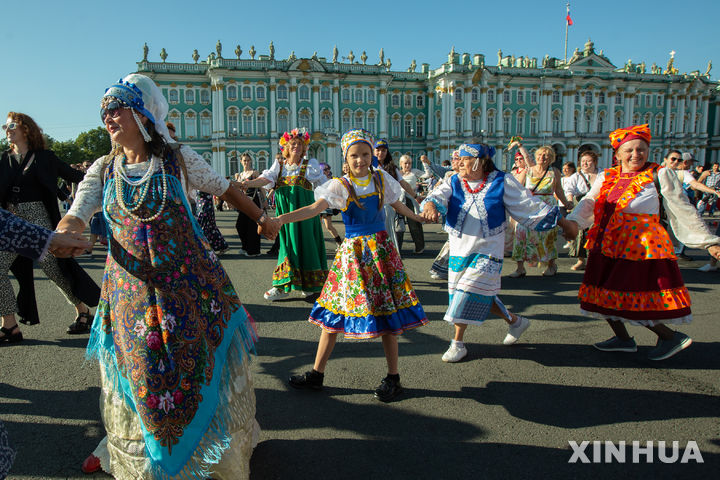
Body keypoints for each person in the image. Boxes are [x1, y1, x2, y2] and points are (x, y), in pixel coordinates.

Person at [56, 73, 280, 479]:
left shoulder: (177, 158)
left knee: (194, 367)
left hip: (188, 291)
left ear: (142, 115)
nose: (109, 117)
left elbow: (225, 187)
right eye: (105, 111)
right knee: (139, 374)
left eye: (117, 109)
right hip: (130, 297)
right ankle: (140, 457)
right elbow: (79, 209)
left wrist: (262, 217)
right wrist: (68, 230)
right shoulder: (104, 169)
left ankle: (212, 458)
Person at [285, 129, 428, 402]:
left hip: (380, 254)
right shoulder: (339, 185)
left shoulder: (381, 179)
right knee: (333, 314)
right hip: (352, 256)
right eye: (354, 155)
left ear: (372, 154)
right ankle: (317, 373)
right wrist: (281, 220)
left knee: (387, 313)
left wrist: (417, 218)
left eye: (364, 154)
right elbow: (314, 209)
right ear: (345, 157)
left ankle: (393, 377)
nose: (360, 160)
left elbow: (397, 204)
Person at [563, 124, 720, 361]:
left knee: (629, 297)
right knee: (600, 293)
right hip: (606, 244)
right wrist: (573, 222)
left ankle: (670, 337)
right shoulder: (608, 176)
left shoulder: (659, 174)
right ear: (617, 154)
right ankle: (623, 340)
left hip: (640, 248)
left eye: (641, 149)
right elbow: (589, 202)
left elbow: (683, 209)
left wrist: (709, 242)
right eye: (630, 150)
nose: (636, 155)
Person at [420, 140, 574, 362]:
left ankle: (458, 343)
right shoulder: (454, 181)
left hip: (488, 250)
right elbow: (436, 196)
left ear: (480, 162)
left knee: (466, 292)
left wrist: (563, 223)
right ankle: (516, 322)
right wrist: (430, 205)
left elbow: (529, 205)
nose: (459, 163)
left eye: (464, 159)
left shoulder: (502, 181)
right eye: (458, 159)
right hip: (460, 249)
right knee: (481, 295)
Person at [1, 112, 99, 335]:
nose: (7, 130)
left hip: (39, 219)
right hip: (11, 223)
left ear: (26, 129)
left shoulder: (44, 157)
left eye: (12, 125)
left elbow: (78, 177)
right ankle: (9, 324)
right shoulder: (4, 159)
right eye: (5, 126)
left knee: (54, 270)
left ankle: (83, 310)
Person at [240, 128, 328, 300]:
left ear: (304, 148)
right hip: (284, 218)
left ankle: (308, 284)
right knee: (286, 248)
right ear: (287, 146)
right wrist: (247, 184)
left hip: (306, 217)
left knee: (307, 246)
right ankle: (281, 286)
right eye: (293, 143)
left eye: (300, 144)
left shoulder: (310, 165)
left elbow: (325, 186)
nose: (296, 147)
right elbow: (265, 179)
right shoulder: (279, 166)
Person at [510, 145, 570, 277]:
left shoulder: (554, 172)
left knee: (548, 236)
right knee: (521, 233)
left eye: (546, 155)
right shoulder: (528, 171)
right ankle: (520, 268)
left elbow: (559, 190)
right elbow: (518, 189)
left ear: (551, 159)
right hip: (530, 208)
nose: (541, 157)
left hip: (547, 208)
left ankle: (551, 265)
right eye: (539, 155)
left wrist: (566, 203)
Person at [373, 139, 421, 253]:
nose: (380, 153)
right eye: (378, 150)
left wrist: (415, 196)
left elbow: (403, 183)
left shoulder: (391, 168)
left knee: (387, 231)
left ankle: (389, 256)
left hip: (387, 205)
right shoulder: (368, 165)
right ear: (373, 151)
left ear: (387, 152)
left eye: (383, 150)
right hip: (372, 204)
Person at [563, 151, 601, 270]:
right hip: (580, 204)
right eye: (583, 161)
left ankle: (593, 260)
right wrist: (569, 203)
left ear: (594, 162)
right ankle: (581, 260)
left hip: (598, 206)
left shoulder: (602, 174)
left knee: (596, 232)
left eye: (588, 161)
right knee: (580, 234)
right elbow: (569, 190)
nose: (585, 164)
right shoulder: (577, 176)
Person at [234, 154, 264, 256]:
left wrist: (265, 200)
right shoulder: (239, 175)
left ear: (250, 161)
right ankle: (245, 246)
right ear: (241, 162)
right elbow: (237, 190)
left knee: (252, 226)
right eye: (244, 161)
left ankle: (254, 251)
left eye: (248, 160)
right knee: (240, 225)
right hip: (243, 202)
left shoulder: (254, 173)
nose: (246, 162)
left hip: (253, 201)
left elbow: (260, 186)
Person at [397, 154, 425, 253]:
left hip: (411, 199)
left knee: (414, 223)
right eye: (405, 163)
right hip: (400, 199)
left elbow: (428, 174)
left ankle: (420, 247)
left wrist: (424, 163)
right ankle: (397, 248)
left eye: (409, 163)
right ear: (401, 164)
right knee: (398, 224)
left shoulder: (414, 172)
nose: (407, 165)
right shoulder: (397, 173)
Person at [317, 162, 343, 250]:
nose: (327, 171)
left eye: (328, 169)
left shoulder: (332, 179)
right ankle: (317, 245)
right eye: (325, 169)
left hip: (327, 205)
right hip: (318, 204)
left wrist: (337, 206)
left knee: (328, 226)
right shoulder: (318, 178)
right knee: (317, 226)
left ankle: (339, 243)